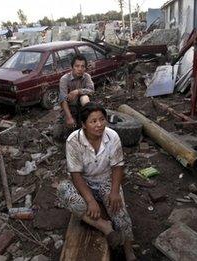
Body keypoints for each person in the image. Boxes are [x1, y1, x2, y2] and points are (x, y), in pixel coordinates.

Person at [57, 103, 136, 261]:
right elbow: (76, 174)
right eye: (93, 121)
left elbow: (118, 166)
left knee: (120, 213)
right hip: (85, 183)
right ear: (83, 125)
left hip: (106, 180)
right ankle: (104, 226)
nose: (99, 125)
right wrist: (90, 200)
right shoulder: (73, 141)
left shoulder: (112, 136)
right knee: (63, 190)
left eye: (102, 119)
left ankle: (129, 251)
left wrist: (114, 191)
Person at [53, 54, 94, 141]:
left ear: (85, 68)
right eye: (77, 66)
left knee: (85, 97)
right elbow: (63, 100)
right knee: (58, 135)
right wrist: (69, 117)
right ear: (72, 67)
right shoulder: (64, 79)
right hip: (69, 108)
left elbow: (91, 90)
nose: (80, 69)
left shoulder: (87, 77)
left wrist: (77, 91)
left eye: (82, 66)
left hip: (83, 107)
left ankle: (87, 118)